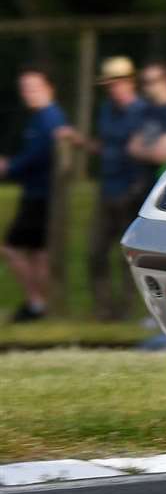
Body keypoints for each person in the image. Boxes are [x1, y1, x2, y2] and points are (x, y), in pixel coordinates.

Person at [59, 57, 151, 321]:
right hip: (108, 189)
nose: (112, 89)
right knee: (95, 251)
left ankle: (129, 310)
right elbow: (107, 147)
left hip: (132, 190)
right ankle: (105, 309)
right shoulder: (106, 110)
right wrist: (81, 142)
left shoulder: (144, 112)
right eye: (108, 84)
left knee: (128, 255)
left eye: (116, 83)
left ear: (129, 83)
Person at [0, 68, 68, 322]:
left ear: (49, 88)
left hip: (40, 197)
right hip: (37, 194)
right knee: (38, 252)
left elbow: (38, 157)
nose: (28, 93)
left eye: (34, 87)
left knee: (12, 247)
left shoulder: (48, 119)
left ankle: (36, 302)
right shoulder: (42, 118)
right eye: (25, 88)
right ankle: (41, 305)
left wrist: (9, 167)